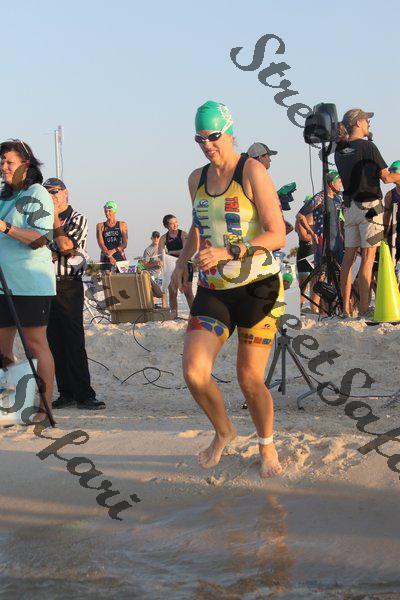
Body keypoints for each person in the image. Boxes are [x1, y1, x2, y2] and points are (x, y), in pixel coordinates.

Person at [171, 100, 286, 478]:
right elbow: (197, 226)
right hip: (214, 289)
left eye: (213, 136)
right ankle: (224, 431)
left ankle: (266, 445)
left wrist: (229, 251)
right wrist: (182, 263)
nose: (207, 145)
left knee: (249, 379)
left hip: (258, 289)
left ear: (230, 132)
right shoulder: (196, 179)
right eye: (199, 139)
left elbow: (277, 234)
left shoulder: (251, 171)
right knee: (194, 372)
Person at [0, 140, 55, 422]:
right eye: (1, 163)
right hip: (3, 284)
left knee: (35, 344)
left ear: (26, 164)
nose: (3, 167)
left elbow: (40, 238)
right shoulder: (4, 196)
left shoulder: (36, 193)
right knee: (2, 348)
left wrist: (6, 227)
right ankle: (14, 401)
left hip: (30, 283)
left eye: (9, 162)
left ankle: (45, 408)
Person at [44, 178, 105, 410]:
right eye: (47, 192)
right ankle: (66, 392)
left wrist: (53, 237)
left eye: (54, 191)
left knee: (73, 340)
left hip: (69, 284)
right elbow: (39, 247)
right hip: (45, 284)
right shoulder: (40, 220)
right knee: (54, 342)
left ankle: (84, 394)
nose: (51, 196)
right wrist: (52, 247)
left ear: (65, 192)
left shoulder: (77, 218)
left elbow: (65, 246)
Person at [335, 108, 400, 317]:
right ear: (358, 123)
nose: (368, 124)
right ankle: (363, 310)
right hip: (371, 206)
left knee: (348, 259)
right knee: (368, 258)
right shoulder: (368, 146)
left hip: (350, 208)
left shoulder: (339, 151)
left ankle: (345, 309)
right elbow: (386, 178)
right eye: (366, 120)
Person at [296, 172, 343, 313]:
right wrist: (311, 233)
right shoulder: (319, 198)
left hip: (337, 241)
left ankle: (335, 308)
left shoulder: (338, 198)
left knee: (338, 275)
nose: (341, 184)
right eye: (339, 181)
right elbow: (300, 215)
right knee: (319, 275)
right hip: (322, 241)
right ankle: (315, 310)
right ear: (331, 183)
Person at [159, 214, 194, 318]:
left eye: (176, 222)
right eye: (172, 223)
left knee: (188, 292)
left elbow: (185, 250)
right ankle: (174, 315)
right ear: (166, 226)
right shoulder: (163, 238)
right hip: (171, 266)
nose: (175, 225)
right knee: (172, 292)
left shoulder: (183, 234)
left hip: (186, 264)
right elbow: (160, 254)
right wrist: (164, 256)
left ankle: (194, 315)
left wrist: (171, 252)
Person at [295, 195, 314, 308]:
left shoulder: (317, 217)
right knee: (303, 283)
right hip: (305, 253)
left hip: (313, 252)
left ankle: (314, 308)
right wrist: (316, 235)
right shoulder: (301, 218)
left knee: (316, 282)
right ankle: (299, 307)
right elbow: (304, 237)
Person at [96, 201, 128, 271]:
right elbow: (101, 244)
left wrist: (113, 251)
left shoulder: (122, 224)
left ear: (114, 211)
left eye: (109, 211)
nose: (107, 213)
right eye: (105, 211)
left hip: (119, 257)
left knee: (123, 277)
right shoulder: (100, 226)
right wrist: (110, 256)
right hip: (106, 257)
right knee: (106, 277)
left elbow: (125, 244)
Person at [140, 231, 166, 308]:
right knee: (154, 292)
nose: (156, 239)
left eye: (157, 237)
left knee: (164, 292)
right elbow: (144, 265)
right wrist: (156, 263)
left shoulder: (164, 248)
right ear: (151, 238)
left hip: (163, 274)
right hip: (152, 275)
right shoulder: (148, 250)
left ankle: (164, 309)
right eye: (154, 237)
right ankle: (153, 307)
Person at [383, 161, 400, 261]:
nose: (390, 173)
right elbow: (386, 217)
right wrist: (384, 235)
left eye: (393, 170)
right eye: (389, 170)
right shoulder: (390, 195)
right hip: (395, 232)